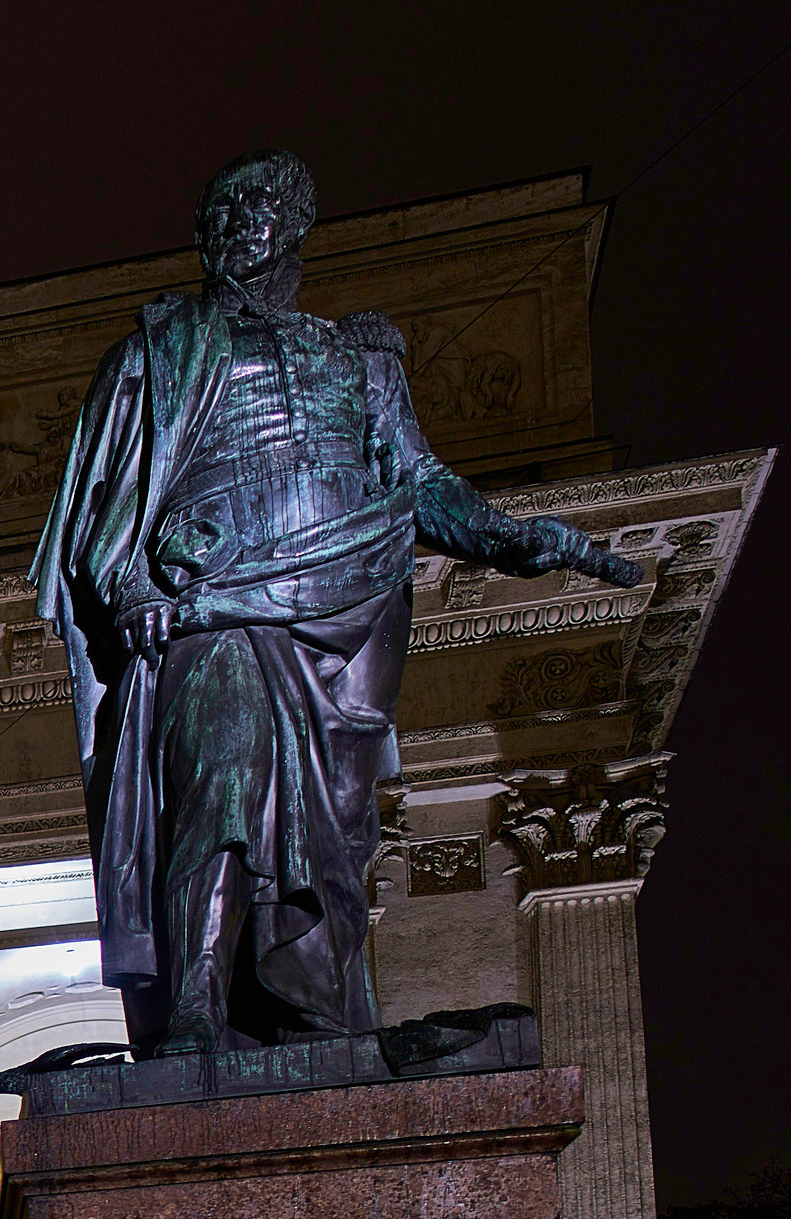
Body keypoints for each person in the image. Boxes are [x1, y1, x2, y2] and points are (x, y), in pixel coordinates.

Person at [34, 150, 639, 1056]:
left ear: (297, 224)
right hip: (213, 613)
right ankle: (197, 1001)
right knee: (223, 773)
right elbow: (102, 517)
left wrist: (513, 536)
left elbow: (418, 483)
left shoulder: (356, 357)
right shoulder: (158, 354)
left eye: (258, 207)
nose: (237, 225)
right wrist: (137, 589)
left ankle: (312, 1011)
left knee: (335, 842)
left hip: (339, 619)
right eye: (221, 212)